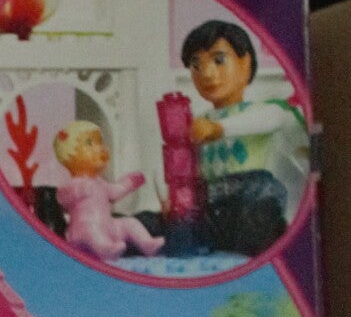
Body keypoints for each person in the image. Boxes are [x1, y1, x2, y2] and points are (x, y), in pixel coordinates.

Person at [181, 19, 308, 257]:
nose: (206, 73)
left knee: (263, 188)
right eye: (196, 65)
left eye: (219, 60)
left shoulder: (262, 110)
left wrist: (219, 128)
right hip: (212, 205)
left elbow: (272, 118)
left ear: (245, 64)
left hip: (247, 199)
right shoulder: (199, 121)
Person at [51, 121, 165, 261]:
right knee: (92, 229)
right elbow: (61, 198)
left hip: (108, 227)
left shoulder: (100, 182)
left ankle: (147, 243)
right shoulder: (72, 184)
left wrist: (128, 183)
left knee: (129, 222)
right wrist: (77, 190)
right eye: (90, 143)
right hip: (82, 231)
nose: (99, 147)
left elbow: (114, 193)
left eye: (100, 142)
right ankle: (106, 249)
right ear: (69, 156)